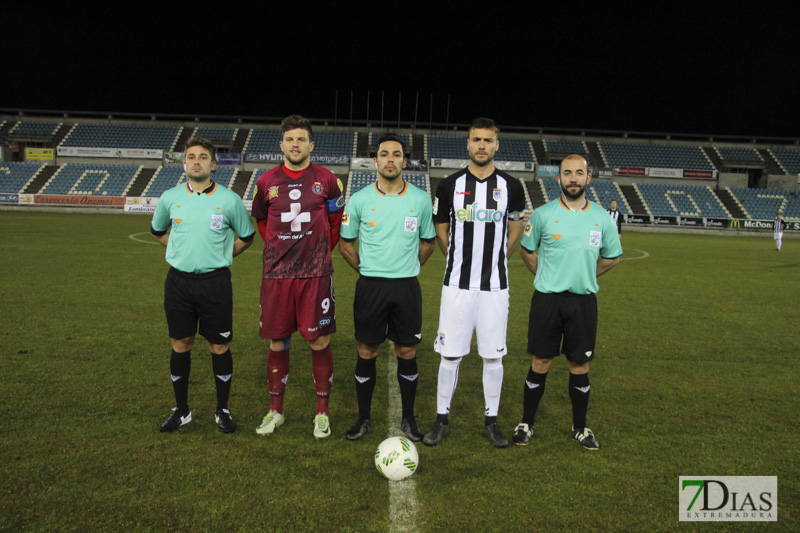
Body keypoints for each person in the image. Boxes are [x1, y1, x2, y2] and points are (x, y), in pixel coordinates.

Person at [423, 118, 526, 449]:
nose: (481, 145)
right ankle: (442, 421)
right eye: (476, 140)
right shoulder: (449, 184)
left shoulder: (512, 185)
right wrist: (454, 254)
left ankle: (491, 422)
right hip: (456, 286)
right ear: (468, 144)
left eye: (488, 140)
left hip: (495, 287)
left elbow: (515, 228)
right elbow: (441, 226)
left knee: (493, 357)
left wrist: (500, 257)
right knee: (450, 356)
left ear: (497, 145)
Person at [514, 154, 622, 450]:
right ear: (558, 178)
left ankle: (580, 427)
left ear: (589, 178)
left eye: (579, 173)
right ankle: (527, 423)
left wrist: (588, 273)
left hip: (583, 302)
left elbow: (612, 257)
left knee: (579, 365)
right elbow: (526, 250)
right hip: (547, 300)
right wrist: (546, 275)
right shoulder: (543, 215)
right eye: (567, 173)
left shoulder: (601, 217)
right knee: (541, 361)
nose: (573, 178)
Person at [151, 136, 255, 434]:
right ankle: (181, 410)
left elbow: (247, 237)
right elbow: (157, 231)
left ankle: (222, 410)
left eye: (203, 156)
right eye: (192, 156)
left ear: (213, 163)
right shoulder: (170, 198)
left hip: (215, 284)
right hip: (179, 283)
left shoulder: (229, 199)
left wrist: (223, 254)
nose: (197, 161)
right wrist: (178, 252)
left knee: (219, 345)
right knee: (180, 344)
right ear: (184, 163)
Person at [251, 115, 344, 439]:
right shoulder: (265, 182)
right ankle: (276, 411)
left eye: (301, 139)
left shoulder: (327, 180)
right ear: (282, 144)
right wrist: (281, 250)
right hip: (277, 275)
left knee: (319, 340)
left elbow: (335, 222)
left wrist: (318, 252)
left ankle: (322, 413)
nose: (295, 144)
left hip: (315, 274)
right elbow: (262, 223)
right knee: (278, 341)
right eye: (290, 139)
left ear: (311, 145)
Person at [339, 134, 436, 441]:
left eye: (396, 154)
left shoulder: (420, 200)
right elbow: (345, 244)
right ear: (376, 160)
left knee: (407, 350)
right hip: (370, 287)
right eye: (385, 154)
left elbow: (429, 242)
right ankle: (363, 418)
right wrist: (367, 269)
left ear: (404, 161)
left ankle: (408, 419)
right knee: (367, 350)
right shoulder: (360, 199)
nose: (390, 159)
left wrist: (410, 268)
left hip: (406, 287)